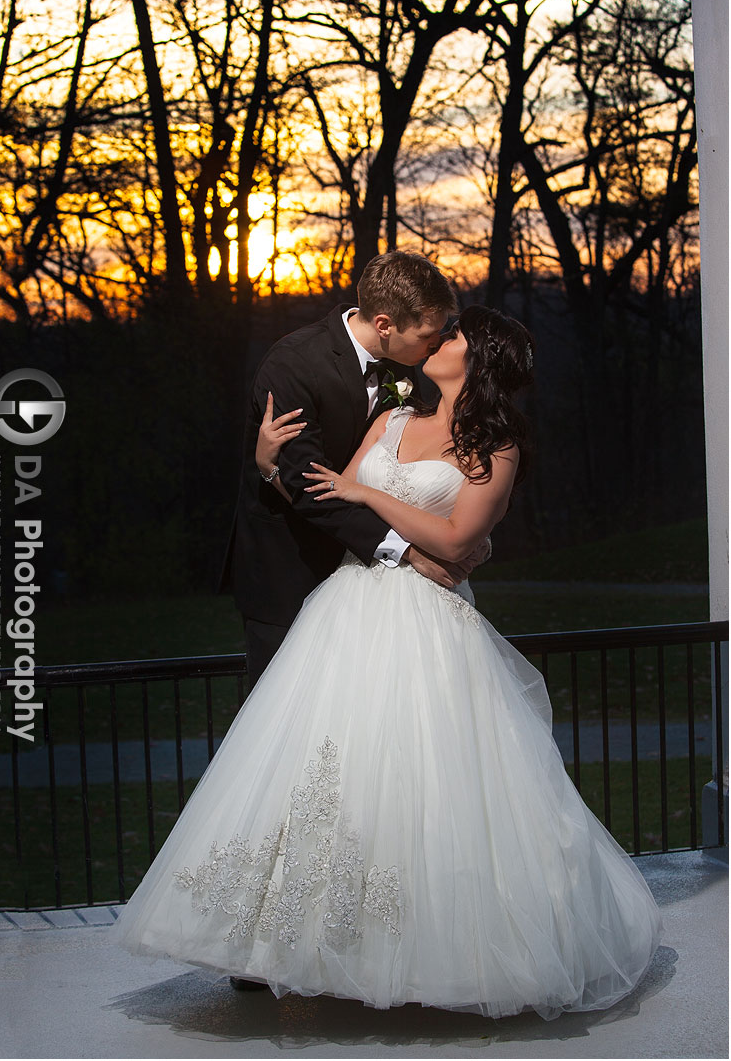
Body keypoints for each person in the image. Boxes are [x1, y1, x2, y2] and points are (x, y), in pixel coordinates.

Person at [112, 304, 662, 1019]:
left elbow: (460, 538)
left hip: (430, 624)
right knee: (318, 771)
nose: (439, 339)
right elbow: (321, 496)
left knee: (426, 782)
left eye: (455, 334)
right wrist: (266, 466)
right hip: (346, 612)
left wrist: (368, 492)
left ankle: (427, 956)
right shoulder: (393, 419)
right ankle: (294, 947)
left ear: (481, 359)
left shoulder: (493, 447)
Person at [222, 250, 490, 689]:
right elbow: (310, 486)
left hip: (371, 588)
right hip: (291, 569)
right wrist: (407, 553)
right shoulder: (294, 363)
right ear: (385, 325)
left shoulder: (409, 366)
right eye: (428, 332)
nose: (436, 342)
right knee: (286, 715)